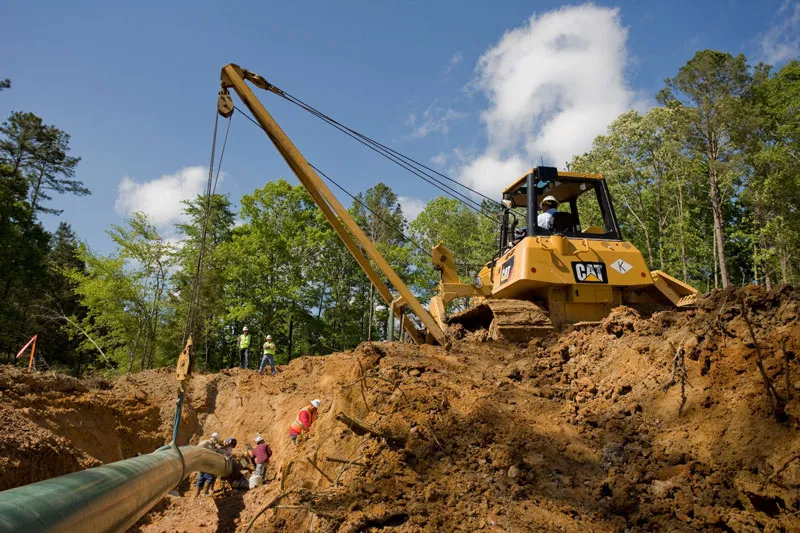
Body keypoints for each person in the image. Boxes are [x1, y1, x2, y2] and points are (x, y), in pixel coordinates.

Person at [195, 432, 223, 497]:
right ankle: (204, 493)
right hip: (204, 463)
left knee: (201, 479)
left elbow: (218, 450)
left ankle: (196, 494)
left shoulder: (213, 445)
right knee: (210, 478)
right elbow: (197, 449)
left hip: (206, 464)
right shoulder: (205, 443)